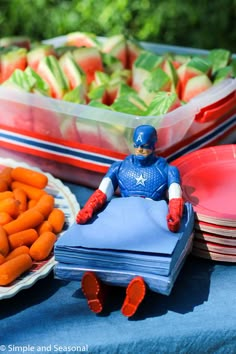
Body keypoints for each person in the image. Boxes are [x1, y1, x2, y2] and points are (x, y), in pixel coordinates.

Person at [76, 124, 184, 317]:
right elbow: (103, 192)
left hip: (150, 219)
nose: (141, 150)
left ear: (154, 145)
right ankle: (100, 284)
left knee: (144, 256)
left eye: (145, 146)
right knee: (107, 247)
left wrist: (174, 213)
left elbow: (175, 196)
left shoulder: (168, 170)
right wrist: (88, 209)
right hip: (122, 215)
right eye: (137, 145)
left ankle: (136, 288)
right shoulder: (119, 167)